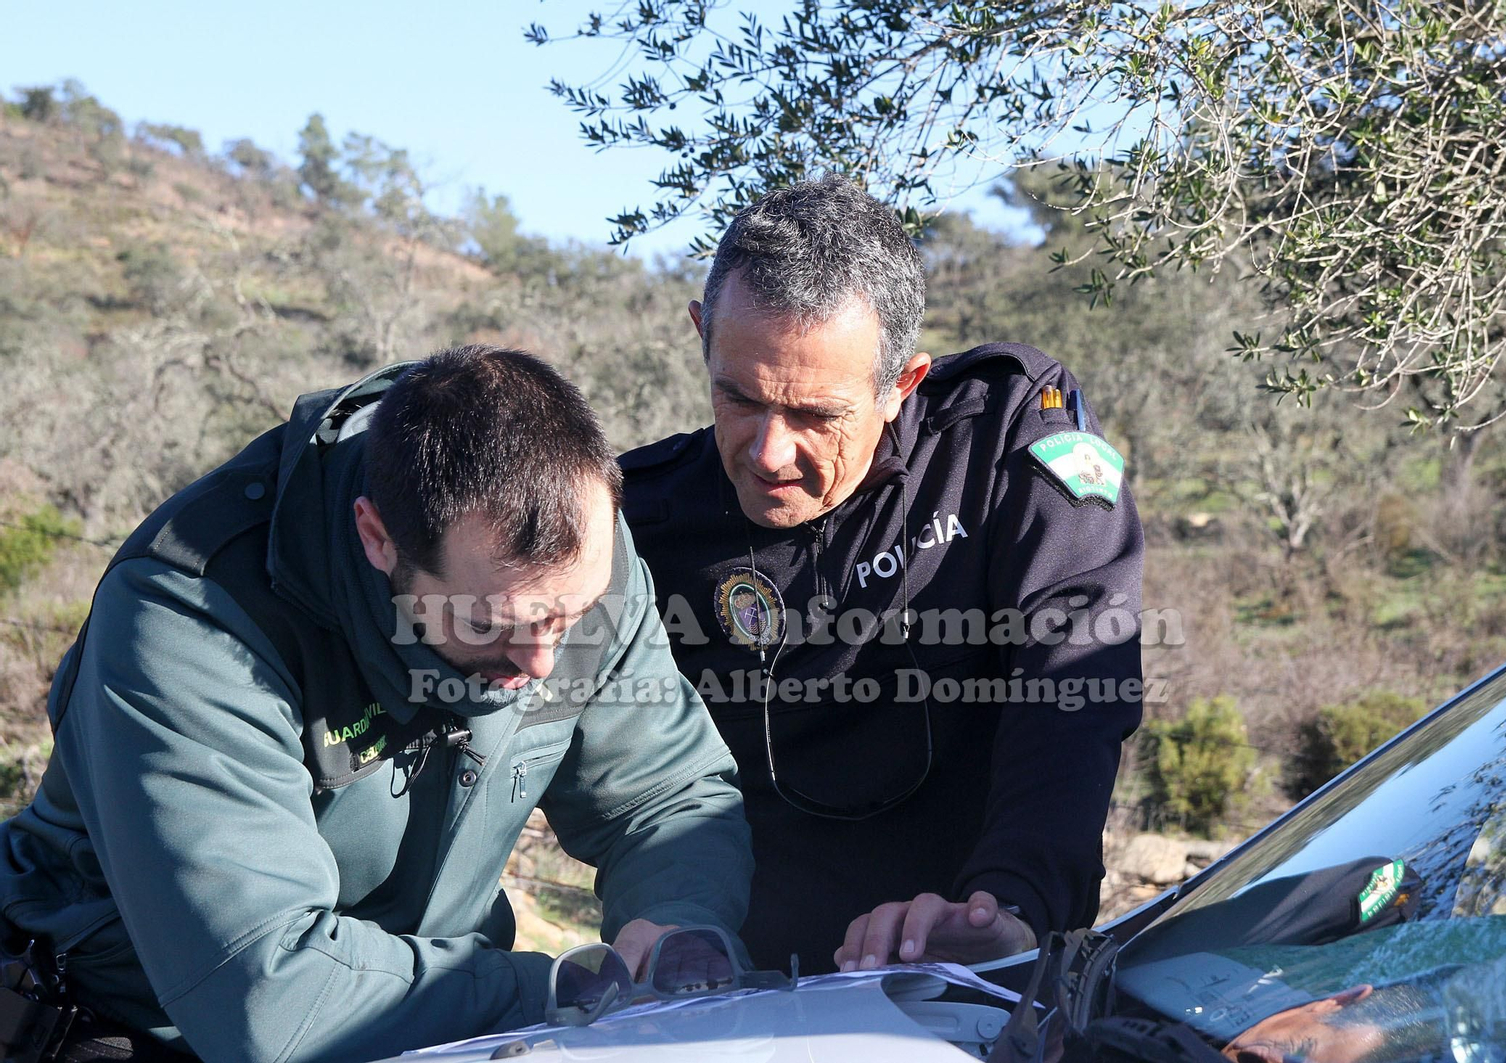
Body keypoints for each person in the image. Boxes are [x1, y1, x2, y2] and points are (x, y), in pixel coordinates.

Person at [0, 346, 753, 1062]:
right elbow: (270, 997)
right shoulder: (190, 613)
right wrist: (567, 991)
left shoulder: (570, 553)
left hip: (439, 1024)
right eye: (488, 622)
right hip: (137, 1029)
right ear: (377, 536)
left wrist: (680, 934)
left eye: (574, 615)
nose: (544, 659)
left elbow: (667, 796)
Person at [620, 175, 1144, 974]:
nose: (768, 452)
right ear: (701, 337)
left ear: (901, 385)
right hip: (739, 997)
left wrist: (1009, 912)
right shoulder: (639, 515)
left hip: (976, 982)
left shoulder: (1001, 439)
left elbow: (1075, 684)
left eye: (815, 416)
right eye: (739, 398)